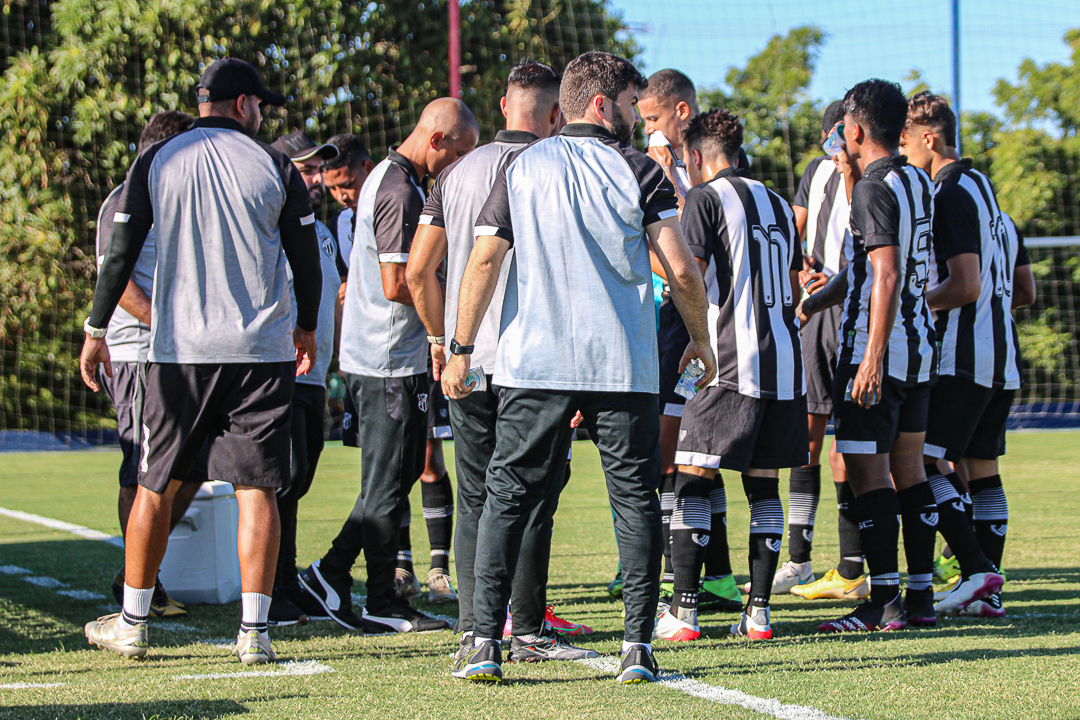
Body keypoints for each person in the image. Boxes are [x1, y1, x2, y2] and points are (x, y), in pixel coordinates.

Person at [442, 50, 716, 684]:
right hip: (620, 363)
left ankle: (485, 643)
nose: (633, 117)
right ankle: (638, 650)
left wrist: (459, 348)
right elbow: (679, 269)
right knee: (633, 501)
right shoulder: (639, 169)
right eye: (627, 104)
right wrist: (701, 341)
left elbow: (483, 262)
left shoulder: (521, 166)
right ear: (601, 104)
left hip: (533, 362)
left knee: (505, 496)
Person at [80, 57, 323, 664]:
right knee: (256, 489)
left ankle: (133, 621)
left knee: (155, 483)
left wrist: (95, 328)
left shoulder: (157, 160)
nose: (262, 113)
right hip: (260, 354)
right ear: (243, 104)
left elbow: (119, 255)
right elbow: (305, 258)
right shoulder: (271, 163)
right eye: (260, 103)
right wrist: (307, 329)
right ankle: (254, 635)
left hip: (179, 352)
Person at [408, 60, 596, 667]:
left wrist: (442, 340)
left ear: (501, 105)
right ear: (556, 114)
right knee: (532, 494)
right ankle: (527, 628)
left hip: (466, 355)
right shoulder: (553, 171)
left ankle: (474, 627)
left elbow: (417, 270)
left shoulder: (457, 173)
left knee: (476, 495)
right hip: (532, 361)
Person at [798, 78, 1002, 633]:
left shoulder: (871, 188)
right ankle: (918, 599)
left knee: (869, 477)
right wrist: (816, 302)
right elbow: (871, 265)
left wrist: (869, 355)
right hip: (920, 353)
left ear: (854, 128)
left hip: (879, 354)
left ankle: (881, 602)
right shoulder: (916, 178)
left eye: (842, 128)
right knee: (909, 475)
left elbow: (885, 273)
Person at [297, 98, 479, 634]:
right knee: (386, 480)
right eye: (460, 153)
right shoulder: (399, 189)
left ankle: (333, 576)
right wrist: (448, 322)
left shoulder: (391, 177)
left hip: (385, 356)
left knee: (397, 474)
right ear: (437, 140)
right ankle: (375, 596)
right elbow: (398, 284)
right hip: (385, 359)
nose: (461, 165)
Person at [655, 109, 807, 643]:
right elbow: (792, 281)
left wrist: (646, 248)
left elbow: (684, 273)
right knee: (763, 485)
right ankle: (759, 613)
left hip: (727, 362)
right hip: (785, 365)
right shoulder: (780, 205)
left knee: (693, 477)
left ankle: (683, 612)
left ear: (694, 156)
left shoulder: (702, 198)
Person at [900, 92, 1036, 617]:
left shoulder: (950, 192)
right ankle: (988, 593)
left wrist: (914, 303)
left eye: (907, 141)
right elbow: (1022, 291)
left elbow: (965, 286)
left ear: (928, 137)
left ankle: (976, 567)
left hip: (961, 355)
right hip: (1000, 357)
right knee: (981, 468)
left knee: (926, 459)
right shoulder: (992, 201)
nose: (905, 151)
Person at [626, 70, 739, 613]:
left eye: (651, 118)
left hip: (693, 331)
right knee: (687, 453)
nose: (645, 129)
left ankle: (677, 572)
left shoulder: (704, 175)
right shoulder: (666, 169)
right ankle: (709, 573)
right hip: (675, 327)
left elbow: (685, 254)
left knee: (674, 453)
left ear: (682, 112)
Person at [95, 110, 203, 618]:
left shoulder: (173, 196)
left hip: (181, 351)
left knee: (196, 465)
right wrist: (168, 321)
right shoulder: (125, 199)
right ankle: (139, 585)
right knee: (141, 467)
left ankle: (138, 574)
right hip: (140, 353)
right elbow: (117, 286)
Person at [785, 101, 869, 602]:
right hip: (815, 310)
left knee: (855, 446)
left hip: (854, 310)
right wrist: (799, 270)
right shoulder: (815, 174)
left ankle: (855, 567)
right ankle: (798, 560)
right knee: (806, 437)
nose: (834, 148)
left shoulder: (877, 179)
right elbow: (794, 230)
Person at [266, 131, 344, 625]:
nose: (315, 178)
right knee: (281, 477)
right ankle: (268, 588)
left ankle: (285, 580)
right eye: (306, 168)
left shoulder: (321, 227)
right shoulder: (272, 220)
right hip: (282, 368)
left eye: (319, 169)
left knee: (299, 480)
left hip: (316, 377)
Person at [322, 134, 374, 276]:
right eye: (332, 188)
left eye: (348, 184)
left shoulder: (395, 206)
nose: (341, 196)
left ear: (368, 168)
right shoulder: (339, 221)